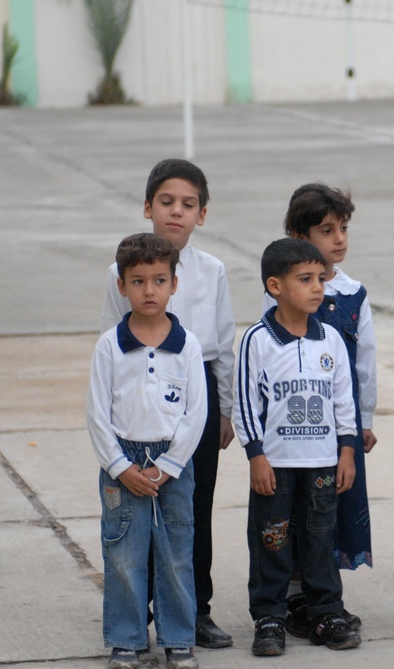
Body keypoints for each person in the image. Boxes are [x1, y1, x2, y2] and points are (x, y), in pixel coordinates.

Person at [101, 159, 236, 648]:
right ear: (147, 207)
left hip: (195, 399)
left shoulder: (212, 270)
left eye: (188, 204)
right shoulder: (121, 271)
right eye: (166, 202)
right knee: (135, 514)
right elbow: (111, 345)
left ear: (202, 214)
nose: (175, 212)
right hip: (137, 400)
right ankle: (137, 614)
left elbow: (222, 345)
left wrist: (225, 411)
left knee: (191, 511)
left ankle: (194, 610)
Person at [235, 238, 362, 656]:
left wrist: (347, 451)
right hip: (276, 464)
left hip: (323, 461)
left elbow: (344, 399)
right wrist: (257, 456)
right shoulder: (258, 340)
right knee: (272, 539)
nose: (317, 288)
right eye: (304, 279)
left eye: (320, 279)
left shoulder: (331, 341)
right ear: (275, 285)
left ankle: (325, 610)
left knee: (320, 538)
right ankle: (269, 616)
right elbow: (245, 404)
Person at [87, 233, 206, 669]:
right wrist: (121, 468)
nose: (149, 290)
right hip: (121, 464)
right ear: (122, 286)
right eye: (138, 281)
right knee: (123, 555)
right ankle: (126, 640)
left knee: (176, 553)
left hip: (172, 465)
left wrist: (168, 466)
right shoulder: (109, 346)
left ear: (174, 283)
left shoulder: (188, 345)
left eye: (159, 280)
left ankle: (178, 638)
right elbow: (97, 415)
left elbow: (196, 414)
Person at [262, 183, 376, 634]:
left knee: (328, 514)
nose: (339, 239)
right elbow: (265, 367)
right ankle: (293, 598)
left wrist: (363, 422)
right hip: (291, 435)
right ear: (298, 234)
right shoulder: (281, 293)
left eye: (343, 228)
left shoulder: (354, 294)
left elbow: (364, 365)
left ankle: (324, 598)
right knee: (289, 514)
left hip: (337, 432)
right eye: (327, 230)